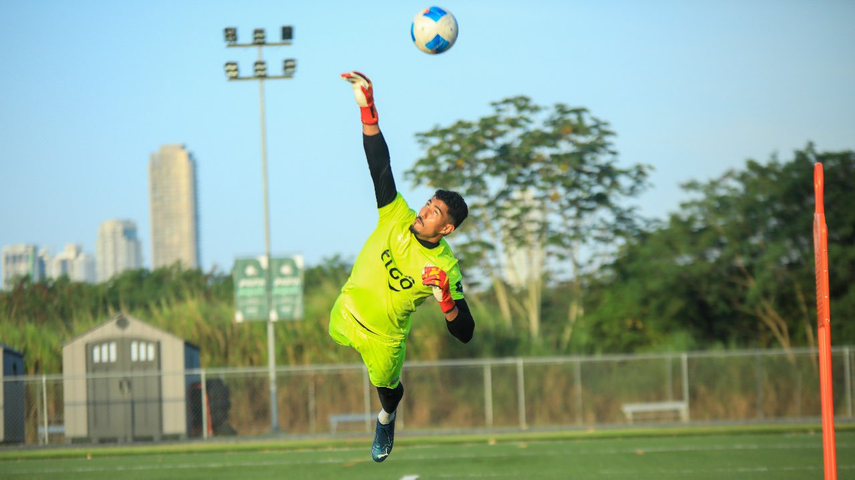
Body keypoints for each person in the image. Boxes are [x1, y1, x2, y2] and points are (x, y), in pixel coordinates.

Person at [329, 71, 476, 462]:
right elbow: (379, 164)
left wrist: (446, 298)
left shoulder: (445, 266)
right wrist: (367, 108)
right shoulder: (396, 214)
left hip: (385, 339)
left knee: (389, 389)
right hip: (346, 310)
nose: (425, 210)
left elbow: (465, 332)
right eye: (428, 203)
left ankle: (387, 417)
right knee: (333, 335)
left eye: (435, 212)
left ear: (446, 229)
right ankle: (386, 406)